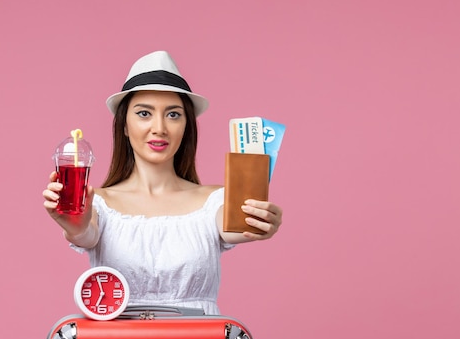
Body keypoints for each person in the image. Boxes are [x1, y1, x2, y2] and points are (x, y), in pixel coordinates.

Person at [43, 51, 282, 315]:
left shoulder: (215, 201)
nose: (159, 128)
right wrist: (75, 225)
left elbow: (235, 227)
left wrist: (261, 222)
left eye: (173, 115)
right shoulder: (98, 203)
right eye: (144, 113)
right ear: (124, 125)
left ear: (186, 126)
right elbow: (86, 234)